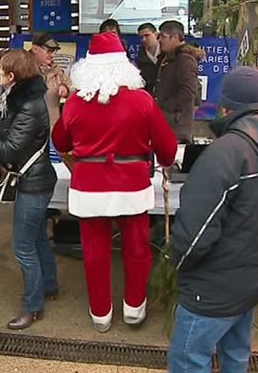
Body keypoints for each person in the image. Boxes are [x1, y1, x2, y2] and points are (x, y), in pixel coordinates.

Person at [168, 67, 258, 373]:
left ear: (226, 105)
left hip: (214, 285)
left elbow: (196, 233)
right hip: (252, 275)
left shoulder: (225, 153)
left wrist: (177, 262)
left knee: (187, 361)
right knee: (235, 356)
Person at [51, 32, 177, 332]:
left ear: (88, 67)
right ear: (124, 67)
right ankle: (134, 309)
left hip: (89, 185)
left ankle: (101, 314)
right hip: (132, 184)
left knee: (94, 251)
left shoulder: (76, 104)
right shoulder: (142, 100)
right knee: (137, 248)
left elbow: (59, 141)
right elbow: (168, 150)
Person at [0, 49, 58, 330]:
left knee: (22, 247)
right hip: (37, 179)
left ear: (12, 76)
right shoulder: (19, 96)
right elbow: (8, 127)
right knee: (37, 238)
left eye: (1, 70)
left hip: (34, 183)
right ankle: (49, 286)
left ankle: (32, 307)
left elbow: (11, 148)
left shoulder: (29, 104)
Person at [154, 20, 205, 143]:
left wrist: (167, 110)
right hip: (167, 124)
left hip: (176, 128)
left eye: (163, 37)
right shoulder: (168, 58)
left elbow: (189, 91)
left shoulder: (185, 60)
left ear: (175, 37)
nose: (160, 40)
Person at [30, 32, 71, 132]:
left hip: (52, 129)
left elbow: (73, 89)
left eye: (54, 52)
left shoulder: (57, 70)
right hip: (30, 132)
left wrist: (66, 88)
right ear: (35, 49)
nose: (53, 55)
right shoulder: (23, 69)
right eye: (49, 51)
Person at [135, 22, 161, 95]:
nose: (144, 39)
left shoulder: (167, 52)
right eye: (141, 37)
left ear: (156, 35)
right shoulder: (139, 59)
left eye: (147, 35)